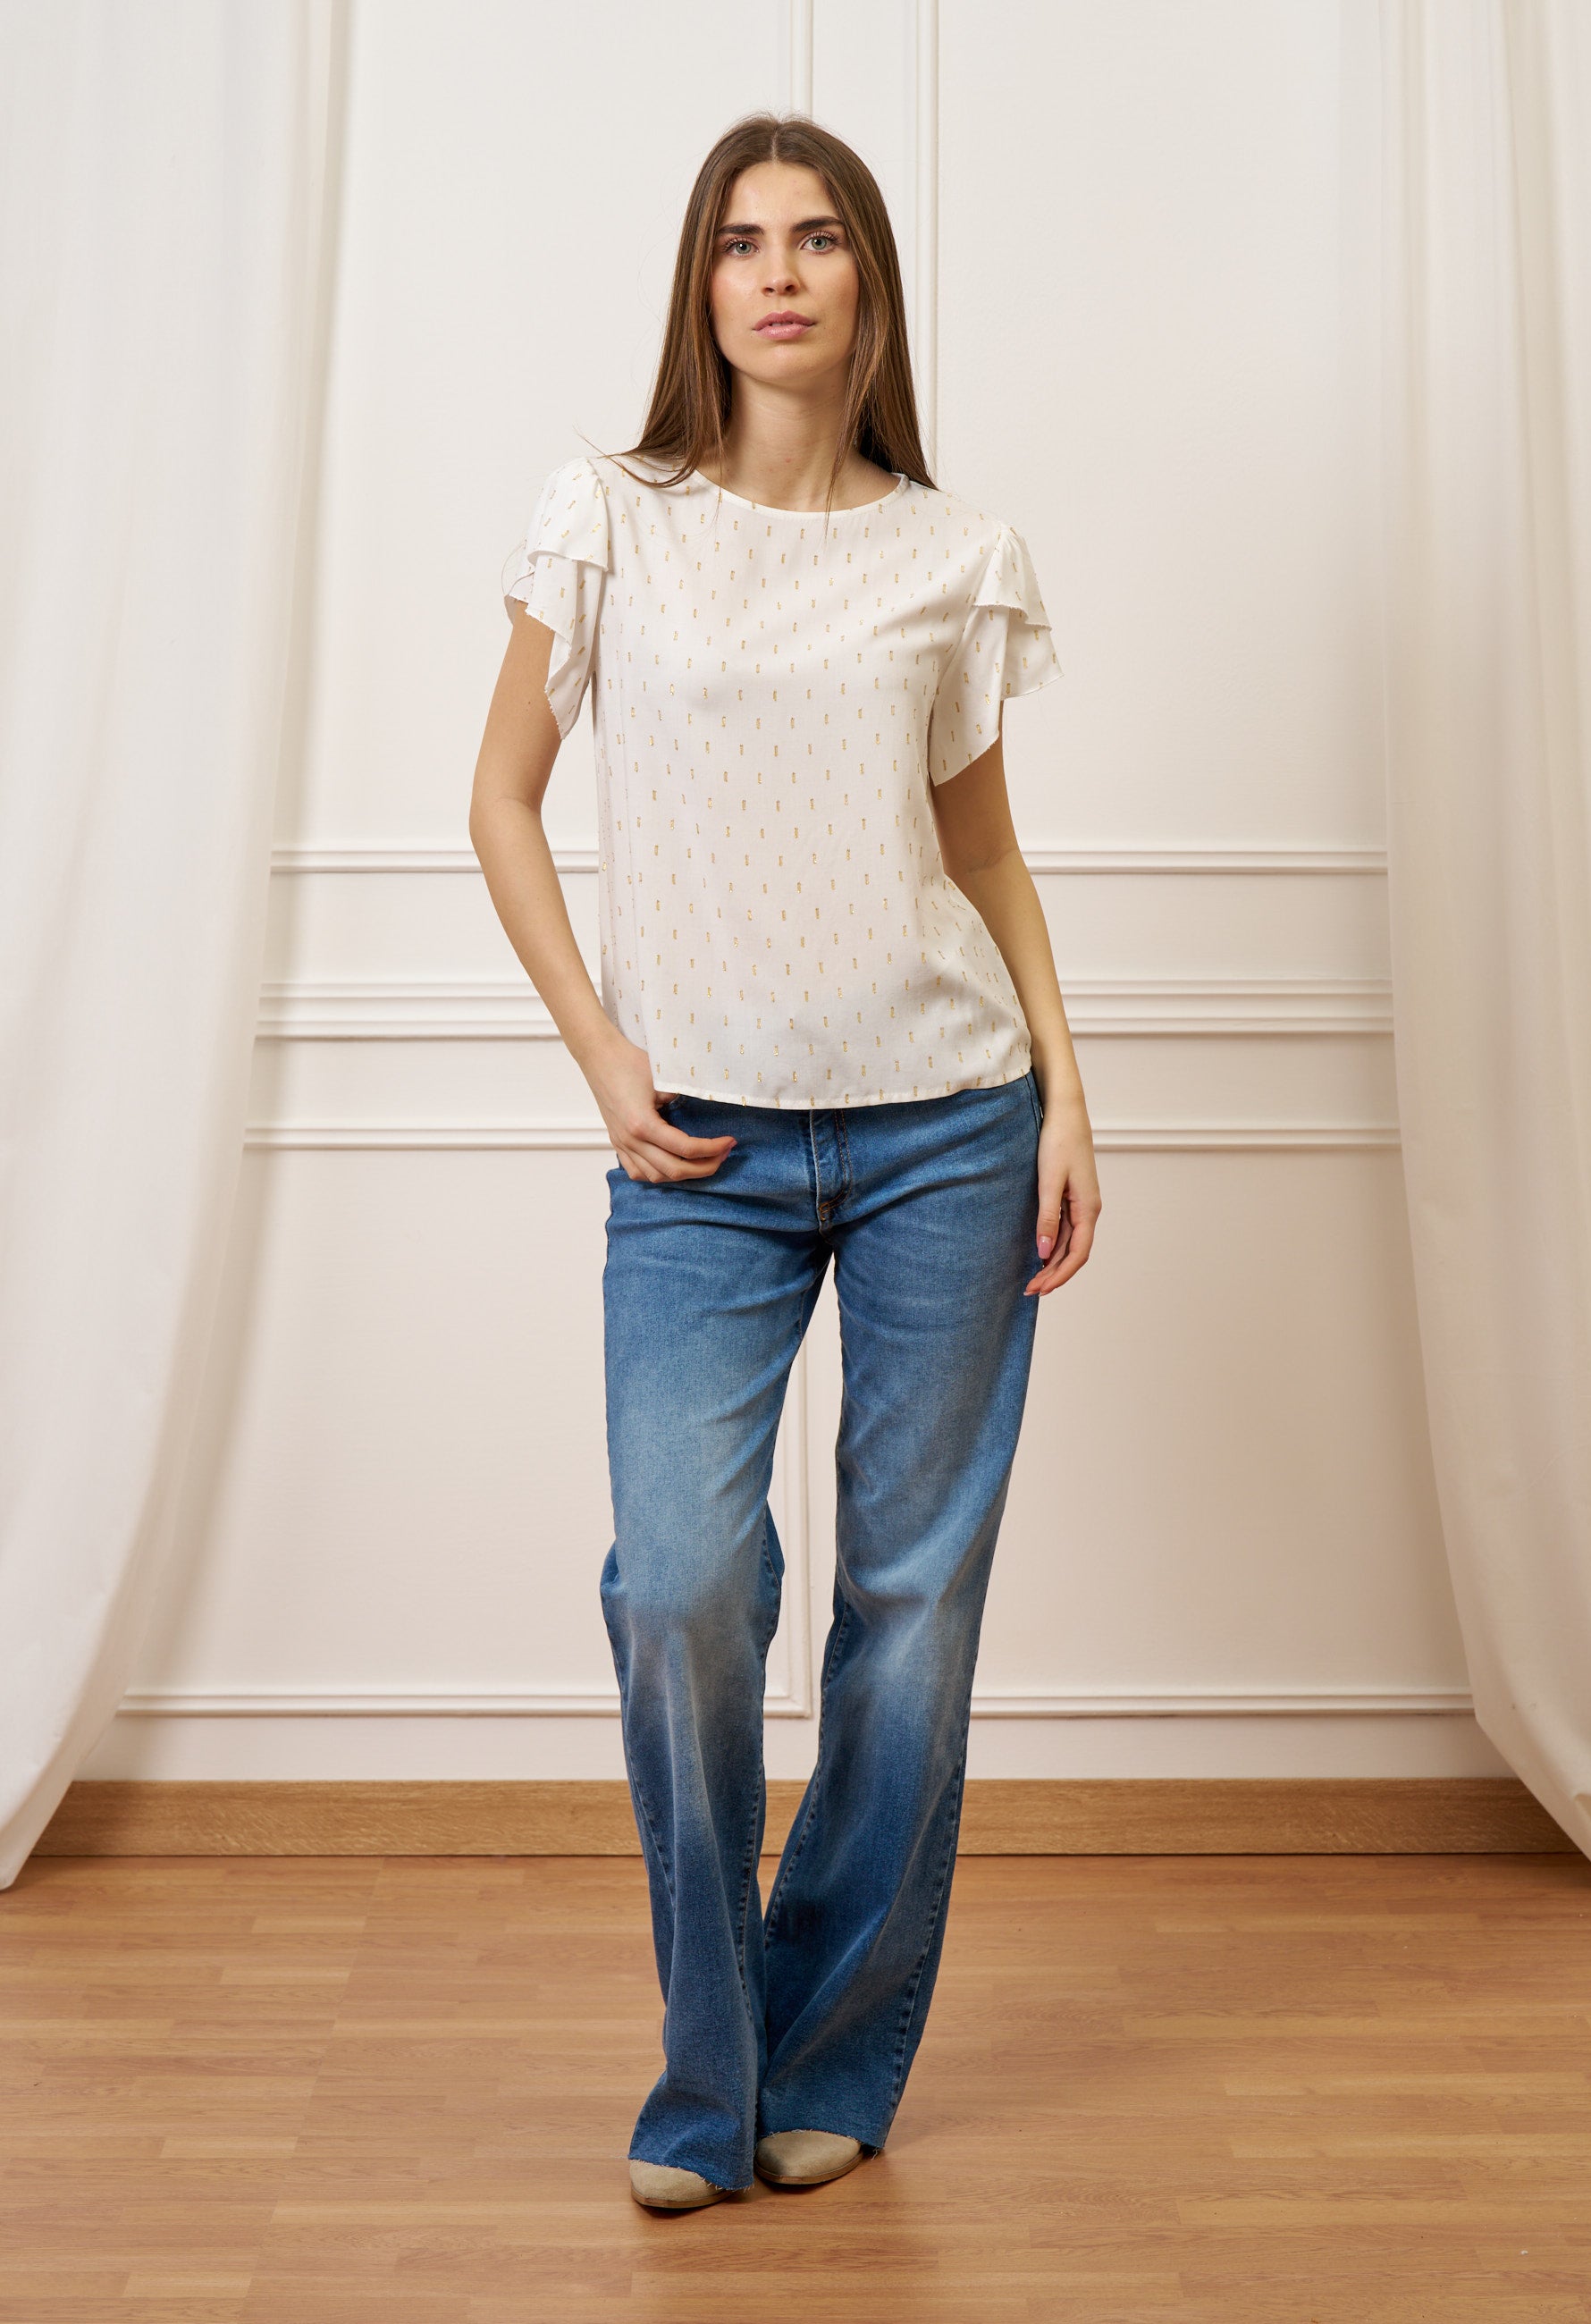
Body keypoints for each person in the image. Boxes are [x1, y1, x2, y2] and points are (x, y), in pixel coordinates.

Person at [469, 111, 1100, 2211]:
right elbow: (498, 799)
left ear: (867, 286)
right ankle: (709, 2071)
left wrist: (1068, 1093)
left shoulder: (951, 551)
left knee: (908, 1611)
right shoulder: (610, 520)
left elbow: (982, 852)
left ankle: (829, 2053)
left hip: (948, 1127)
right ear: (703, 287)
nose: (779, 273)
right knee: (684, 1586)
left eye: (818, 239)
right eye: (742, 242)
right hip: (697, 1152)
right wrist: (603, 1057)